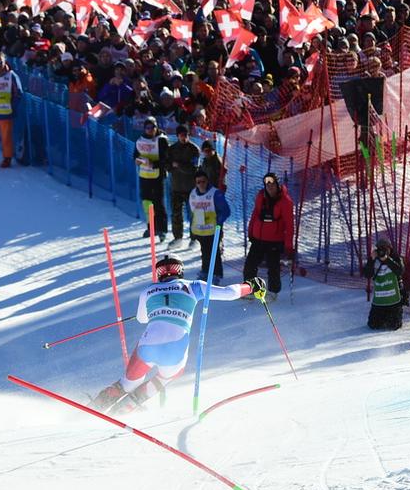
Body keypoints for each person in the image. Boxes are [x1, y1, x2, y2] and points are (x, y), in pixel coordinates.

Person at [92, 254, 265, 413]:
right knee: (164, 378)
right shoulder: (194, 286)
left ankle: (94, 408)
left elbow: (141, 319)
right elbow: (229, 293)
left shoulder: (148, 291)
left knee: (128, 383)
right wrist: (250, 286)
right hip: (175, 350)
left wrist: (158, 311)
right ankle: (124, 409)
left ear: (159, 273)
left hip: (148, 346)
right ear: (180, 271)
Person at [244, 172, 294, 300]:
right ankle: (249, 289)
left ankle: (273, 291)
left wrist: (289, 246)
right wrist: (251, 232)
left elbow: (289, 225)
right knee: (250, 264)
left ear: (277, 185)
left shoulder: (285, 201)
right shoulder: (261, 197)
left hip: (275, 240)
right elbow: (255, 215)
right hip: (258, 238)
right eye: (267, 185)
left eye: (272, 184)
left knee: (273, 267)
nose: (270, 187)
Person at [189, 171, 231, 284]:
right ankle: (205, 271)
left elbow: (226, 211)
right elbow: (192, 213)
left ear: (207, 181)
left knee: (214, 252)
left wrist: (219, 221)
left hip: (213, 229)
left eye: (203, 181)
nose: (201, 184)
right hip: (200, 229)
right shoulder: (193, 194)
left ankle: (216, 274)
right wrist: (191, 230)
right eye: (199, 182)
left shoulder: (215, 194)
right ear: (195, 183)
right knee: (204, 251)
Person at [163, 124, 200, 246]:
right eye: (181, 135)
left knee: (193, 214)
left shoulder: (194, 150)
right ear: (177, 136)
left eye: (186, 135)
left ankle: (194, 238)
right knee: (176, 213)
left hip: (191, 188)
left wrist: (178, 165)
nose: (184, 137)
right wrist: (172, 167)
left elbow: (193, 169)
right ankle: (178, 237)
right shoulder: (172, 149)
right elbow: (167, 165)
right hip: (176, 187)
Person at [135, 116, 169, 238]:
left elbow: (166, 159)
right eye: (147, 128)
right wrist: (138, 160)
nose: (150, 130)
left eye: (152, 127)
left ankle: (162, 229)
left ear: (156, 127)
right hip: (144, 175)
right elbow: (135, 155)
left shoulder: (161, 140)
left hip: (157, 176)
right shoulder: (140, 140)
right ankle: (151, 227)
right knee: (146, 202)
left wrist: (153, 164)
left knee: (158, 202)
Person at [362, 238, 404, 330]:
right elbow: (367, 274)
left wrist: (387, 259)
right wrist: (371, 260)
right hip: (379, 300)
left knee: (394, 325)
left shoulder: (396, 258)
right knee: (373, 325)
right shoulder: (374, 260)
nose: (382, 252)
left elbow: (400, 271)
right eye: (380, 249)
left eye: (385, 249)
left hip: (394, 300)